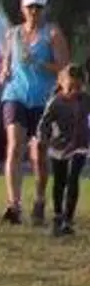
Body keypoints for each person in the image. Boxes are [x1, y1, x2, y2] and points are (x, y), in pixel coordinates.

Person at [0, 0, 69, 226]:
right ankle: (13, 204)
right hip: (16, 95)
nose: (34, 12)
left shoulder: (52, 33)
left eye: (38, 7)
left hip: (43, 99)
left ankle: (39, 200)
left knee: (38, 152)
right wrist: (2, 74)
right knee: (14, 146)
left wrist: (39, 62)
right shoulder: (13, 34)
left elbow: (64, 68)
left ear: (44, 9)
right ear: (22, 8)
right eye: (30, 7)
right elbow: (6, 64)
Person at [36, 66, 88, 236]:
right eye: (70, 87)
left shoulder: (86, 100)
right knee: (60, 181)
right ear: (61, 83)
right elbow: (43, 124)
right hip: (59, 147)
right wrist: (42, 139)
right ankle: (58, 214)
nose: (74, 92)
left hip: (80, 145)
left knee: (73, 178)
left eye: (78, 88)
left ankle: (68, 218)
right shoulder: (55, 102)